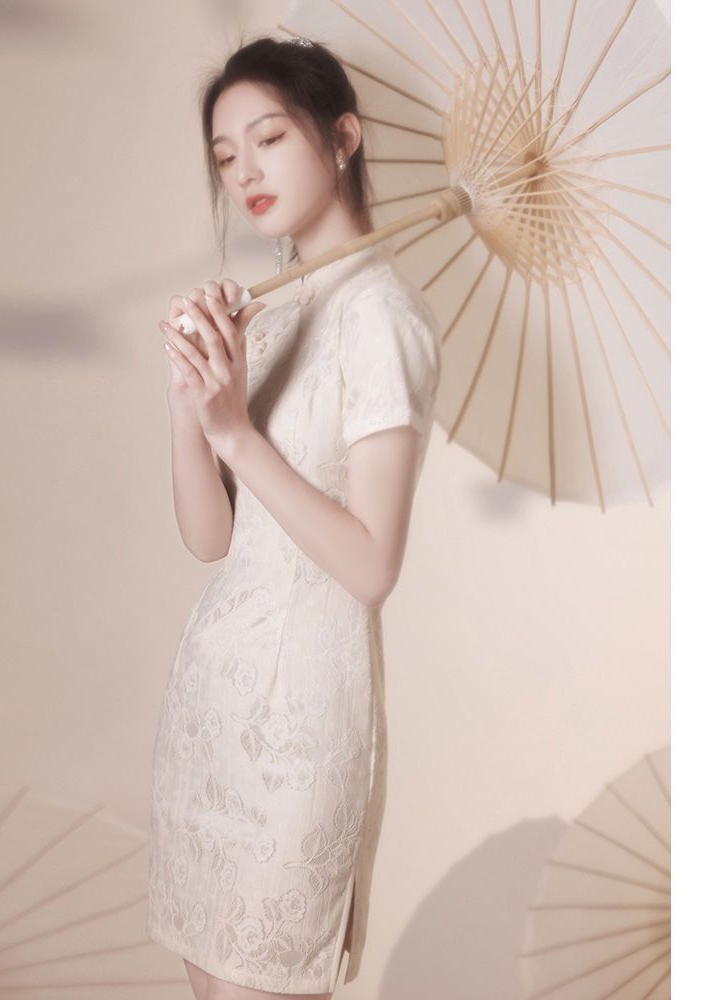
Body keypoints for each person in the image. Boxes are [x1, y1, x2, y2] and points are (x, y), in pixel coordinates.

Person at [147, 35, 442, 1000]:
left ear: (343, 137)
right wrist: (191, 400)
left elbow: (370, 567)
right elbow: (210, 541)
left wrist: (236, 433)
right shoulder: (266, 316)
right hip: (214, 704)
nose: (246, 172)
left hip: (303, 725)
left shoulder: (382, 318)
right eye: (225, 156)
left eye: (269, 139)